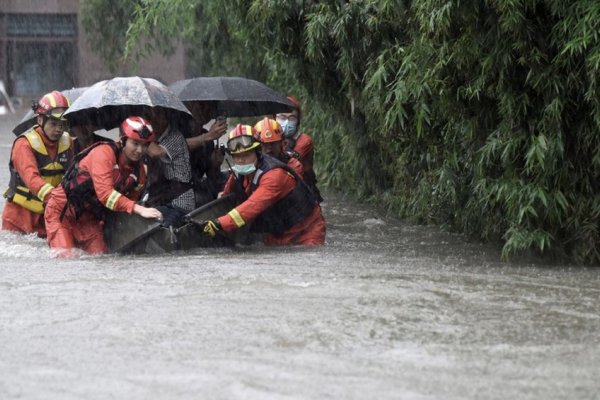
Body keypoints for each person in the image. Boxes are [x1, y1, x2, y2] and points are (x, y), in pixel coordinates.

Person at [44, 116, 162, 257]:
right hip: (63, 212)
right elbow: (106, 195)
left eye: (145, 145)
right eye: (135, 143)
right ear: (123, 140)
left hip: (90, 218)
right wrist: (139, 209)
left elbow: (128, 203)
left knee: (101, 258)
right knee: (66, 258)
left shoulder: (140, 172)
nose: (139, 150)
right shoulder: (104, 153)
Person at [203, 124, 325, 246]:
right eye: (237, 156)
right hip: (276, 234)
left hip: (306, 232)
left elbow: (252, 206)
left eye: (246, 155)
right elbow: (226, 196)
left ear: (258, 152)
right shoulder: (238, 174)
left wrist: (219, 224)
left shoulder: (274, 176)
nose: (241, 160)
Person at [2, 90, 73, 237]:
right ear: (40, 120)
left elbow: (72, 176)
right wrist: (57, 199)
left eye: (62, 124)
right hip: (19, 219)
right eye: (54, 123)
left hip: (47, 216)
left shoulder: (68, 142)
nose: (59, 129)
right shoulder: (24, 144)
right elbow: (31, 179)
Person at [143, 108, 196, 227]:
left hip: (180, 201)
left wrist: (141, 134)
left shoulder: (175, 136)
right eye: (149, 115)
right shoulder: (155, 138)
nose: (152, 119)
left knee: (155, 227)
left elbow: (156, 152)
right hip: (162, 197)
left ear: (166, 116)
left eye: (157, 114)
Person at [276, 96, 323, 202]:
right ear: (275, 118)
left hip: (303, 188)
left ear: (297, 121)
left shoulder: (304, 140)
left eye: (292, 118)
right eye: (282, 118)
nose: (286, 122)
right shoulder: (270, 138)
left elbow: (289, 160)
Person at [185, 102, 228, 206]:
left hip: (196, 185)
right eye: (201, 106)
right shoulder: (178, 129)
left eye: (210, 108)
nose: (205, 111)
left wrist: (215, 163)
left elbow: (212, 176)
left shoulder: (207, 137)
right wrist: (208, 136)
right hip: (173, 189)